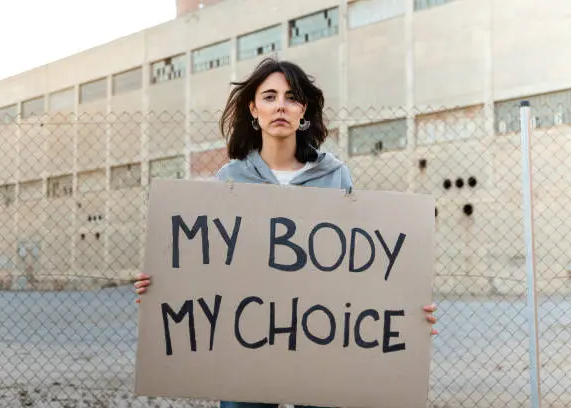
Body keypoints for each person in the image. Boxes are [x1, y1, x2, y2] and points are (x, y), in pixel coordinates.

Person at [133, 57, 438, 408]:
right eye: (269, 96)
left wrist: (409, 308)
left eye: (291, 97)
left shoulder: (335, 176)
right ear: (253, 108)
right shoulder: (229, 179)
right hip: (246, 347)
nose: (280, 105)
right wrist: (163, 287)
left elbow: (359, 265)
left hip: (320, 343)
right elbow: (209, 269)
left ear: (303, 110)